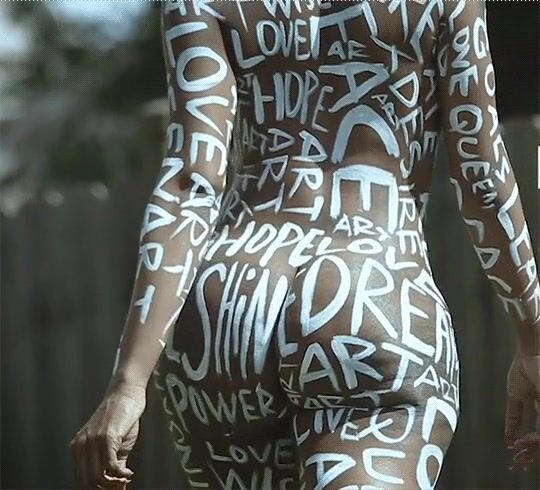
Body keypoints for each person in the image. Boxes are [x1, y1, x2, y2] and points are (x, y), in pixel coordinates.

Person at [69, 0, 540, 488]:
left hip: (226, 305)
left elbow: (191, 181)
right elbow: (481, 176)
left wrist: (129, 383)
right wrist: (533, 337)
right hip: (370, 289)